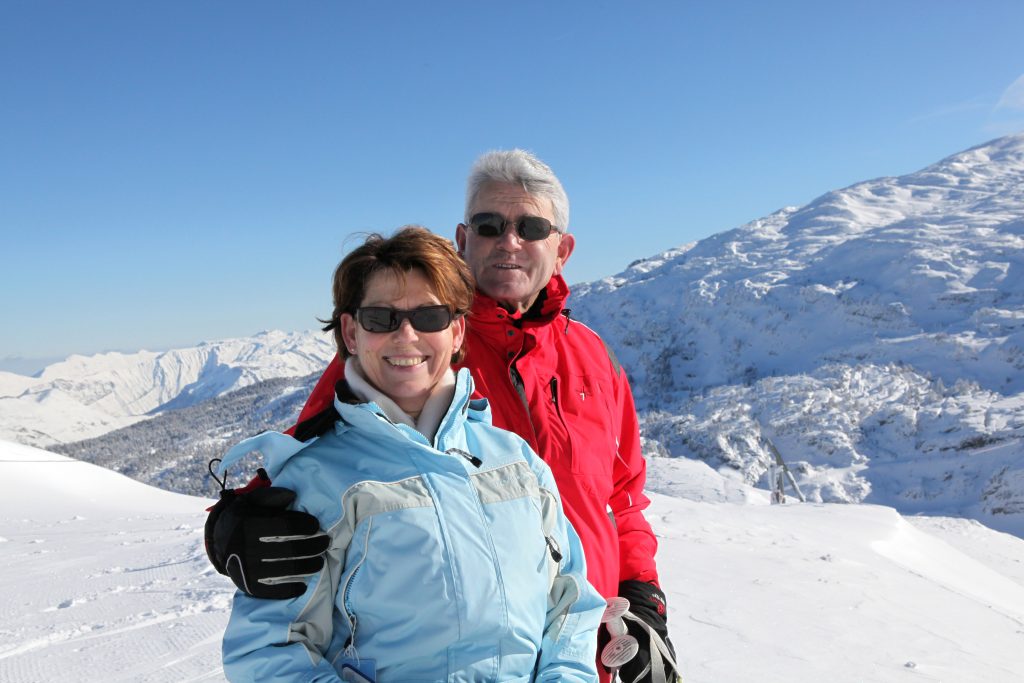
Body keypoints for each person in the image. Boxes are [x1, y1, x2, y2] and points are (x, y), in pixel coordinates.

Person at [206, 151, 681, 683]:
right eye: (489, 225)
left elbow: (622, 497)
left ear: (562, 248)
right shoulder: (417, 352)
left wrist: (642, 594)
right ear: (463, 238)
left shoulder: (593, 357)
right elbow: (312, 464)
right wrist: (232, 528)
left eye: (531, 227)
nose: (508, 241)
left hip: (578, 655)